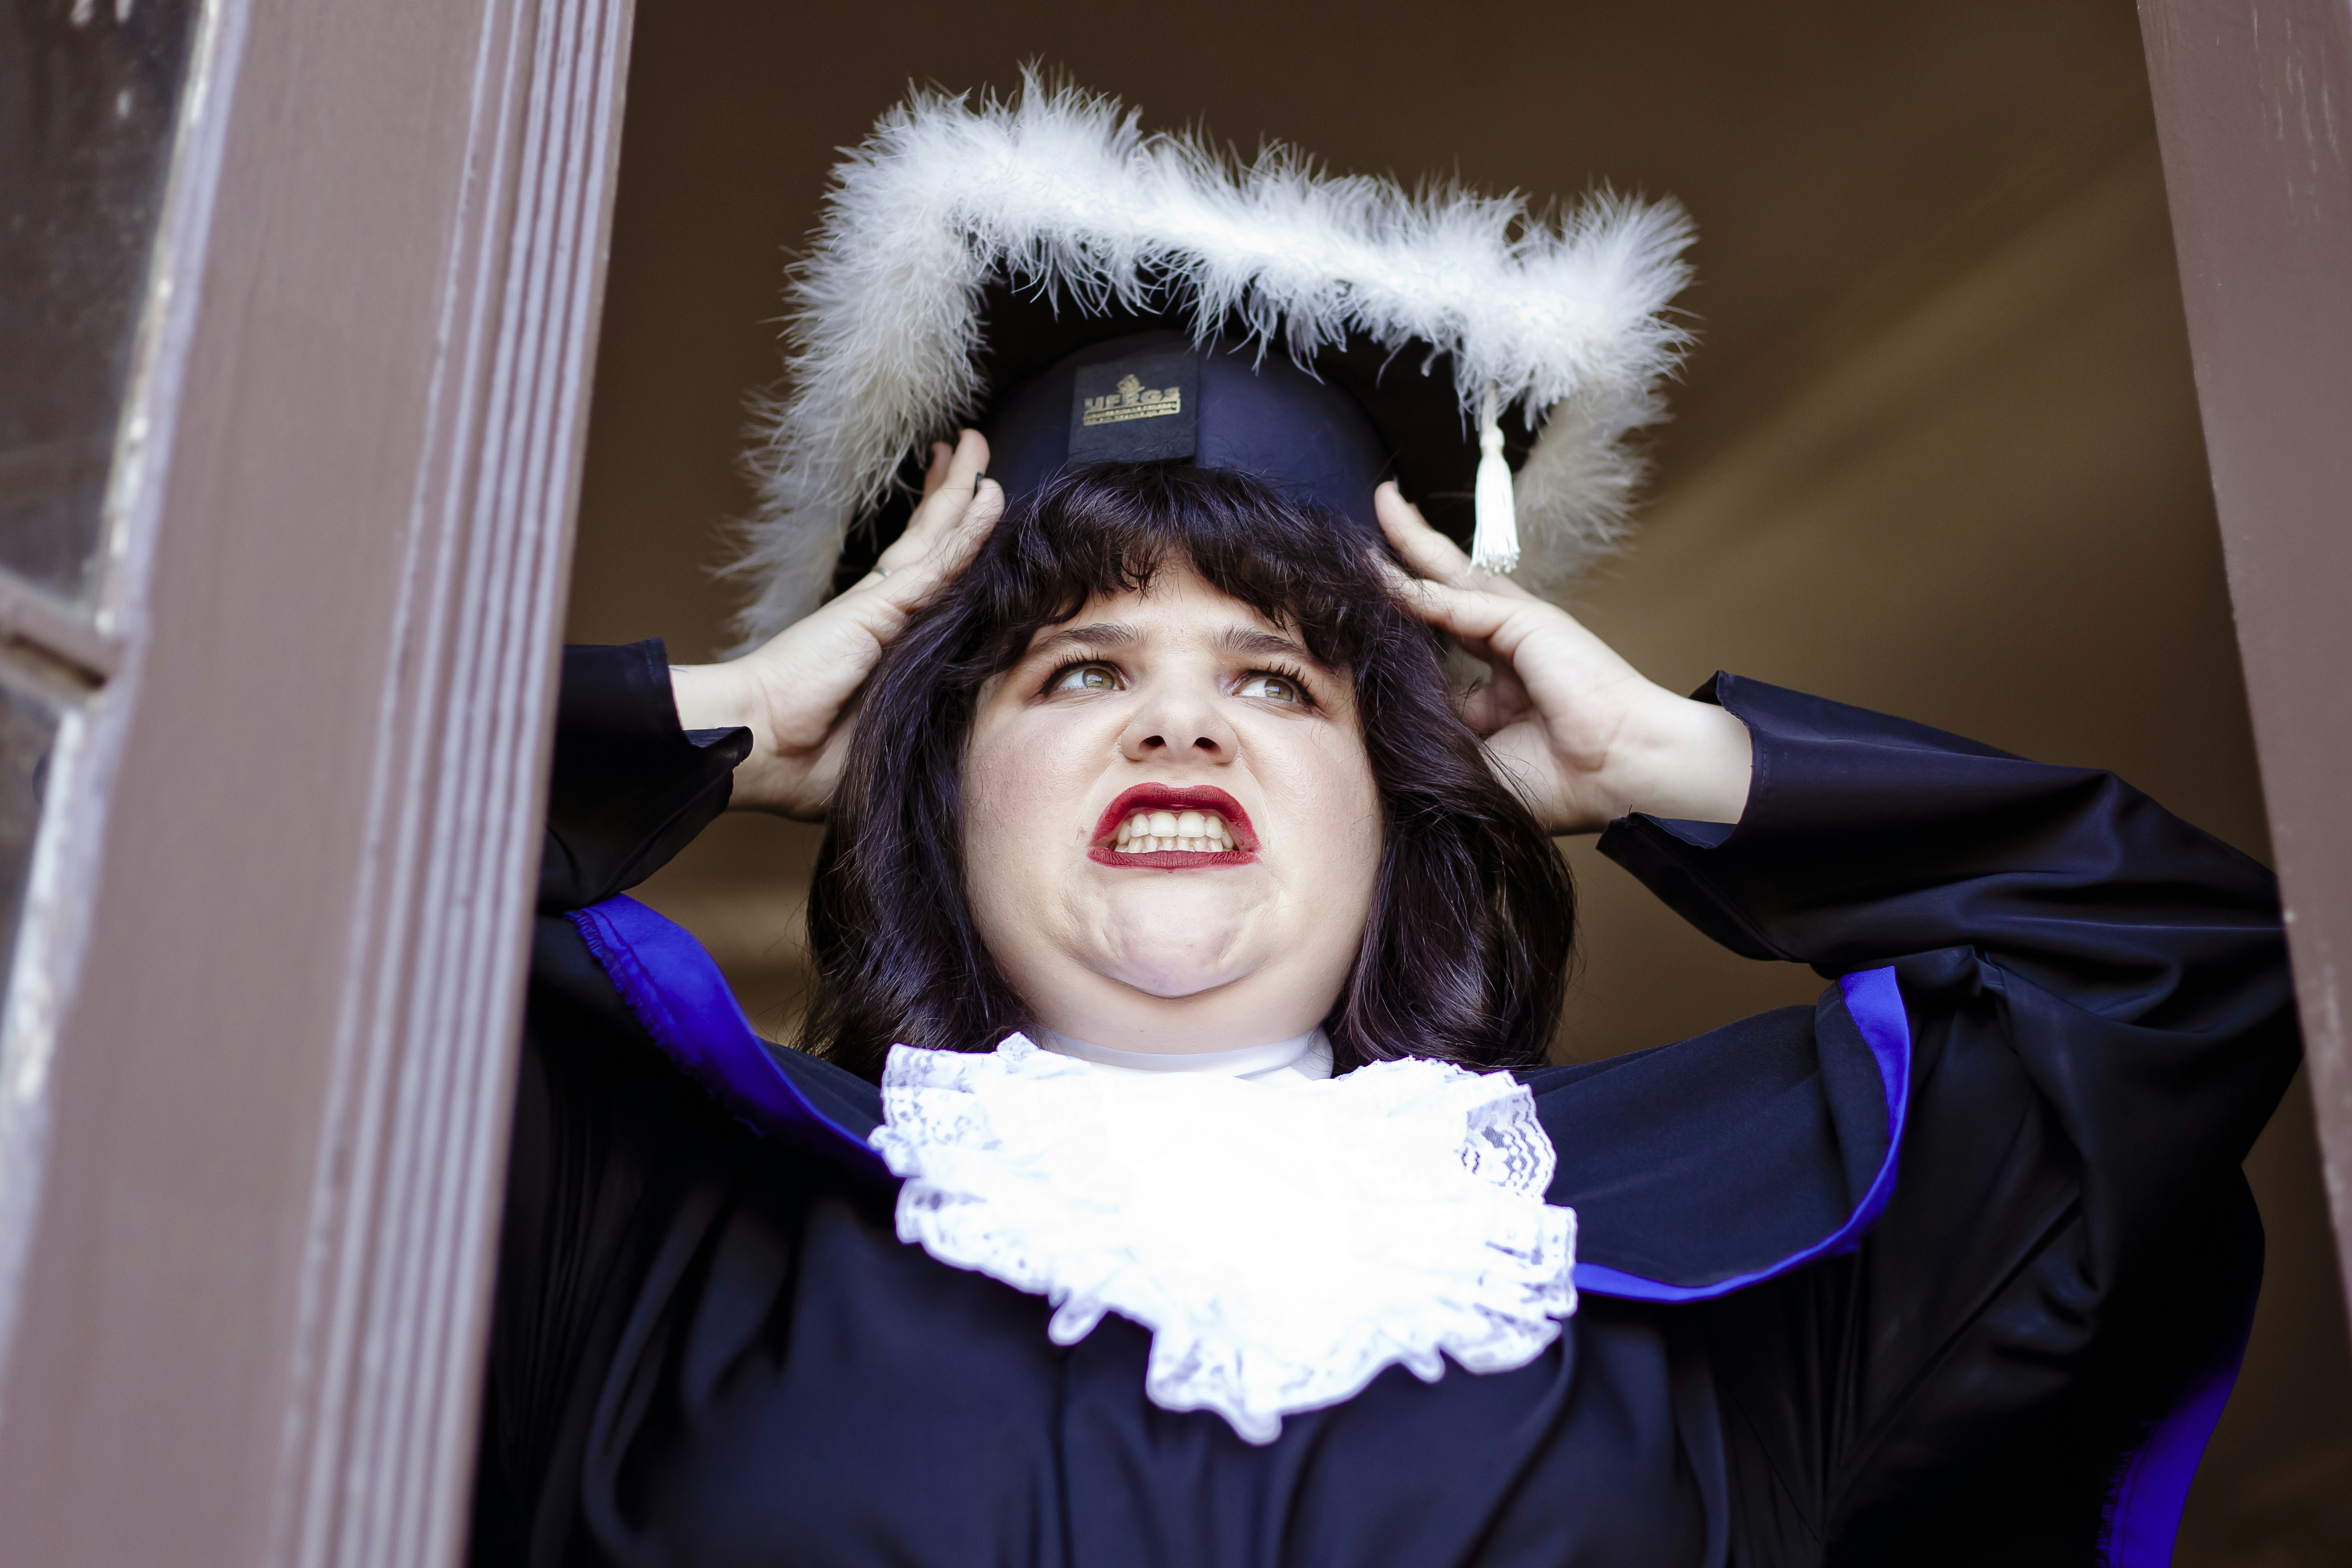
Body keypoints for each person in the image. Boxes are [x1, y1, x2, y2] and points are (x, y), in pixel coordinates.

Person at [473, 82, 2299, 1566]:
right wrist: (716, 719)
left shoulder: (1700, 1258)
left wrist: (1675, 760)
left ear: (1395, 798)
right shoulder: (654, 1206)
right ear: (934, 788)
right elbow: (236, 908)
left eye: (1280, 680)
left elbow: (2188, 976)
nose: (1182, 713)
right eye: (1076, 673)